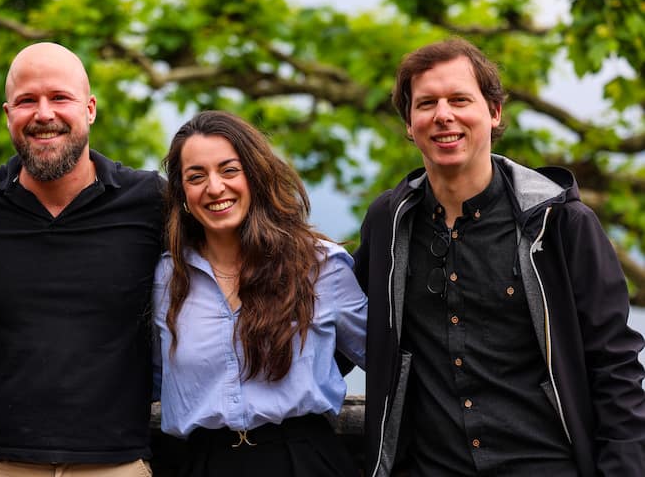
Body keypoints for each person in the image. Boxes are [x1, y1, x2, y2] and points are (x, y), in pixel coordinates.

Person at [355, 37, 645, 476]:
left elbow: (615, 366)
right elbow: (335, 323)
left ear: (494, 112)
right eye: (426, 103)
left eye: (459, 99)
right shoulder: (388, 223)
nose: (443, 115)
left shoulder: (562, 224)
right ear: (409, 124)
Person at [0, 42, 165, 477]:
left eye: (60, 98)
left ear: (89, 108)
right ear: (7, 114)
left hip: (117, 464)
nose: (44, 113)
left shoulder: (149, 200)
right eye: (27, 100)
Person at [153, 110, 367, 477]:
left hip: (304, 461)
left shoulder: (320, 267)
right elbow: (152, 377)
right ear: (182, 194)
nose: (215, 187)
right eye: (196, 176)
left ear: (255, 175)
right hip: (201, 464)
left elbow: (387, 362)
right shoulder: (166, 278)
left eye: (229, 170)